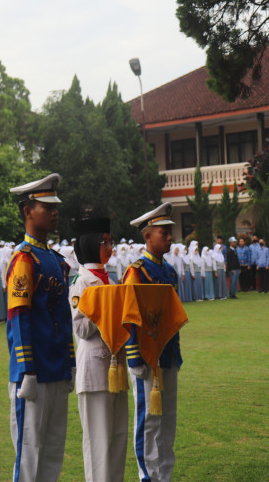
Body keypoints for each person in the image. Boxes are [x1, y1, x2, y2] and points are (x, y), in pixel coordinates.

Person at [6, 173, 75, 482]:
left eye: (55, 206)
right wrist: (27, 369)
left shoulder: (56, 261)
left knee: (53, 454)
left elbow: (63, 315)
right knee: (29, 456)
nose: (54, 212)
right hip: (33, 373)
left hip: (57, 369)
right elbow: (18, 317)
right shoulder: (25, 260)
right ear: (27, 211)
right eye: (47, 207)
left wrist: (70, 362)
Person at [123, 203, 182, 482]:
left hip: (168, 355)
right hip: (147, 358)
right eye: (163, 233)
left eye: (170, 232)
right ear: (147, 236)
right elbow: (129, 318)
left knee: (168, 421)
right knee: (149, 422)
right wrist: (135, 358)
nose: (170, 237)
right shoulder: (137, 272)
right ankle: (147, 476)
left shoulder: (169, 271)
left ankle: (164, 476)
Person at [68, 217, 128, 482]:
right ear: (91, 244)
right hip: (94, 368)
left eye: (110, 242)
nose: (109, 247)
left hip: (116, 367)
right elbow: (81, 329)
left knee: (117, 439)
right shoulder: (81, 282)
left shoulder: (110, 281)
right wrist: (107, 308)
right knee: (98, 443)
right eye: (104, 242)